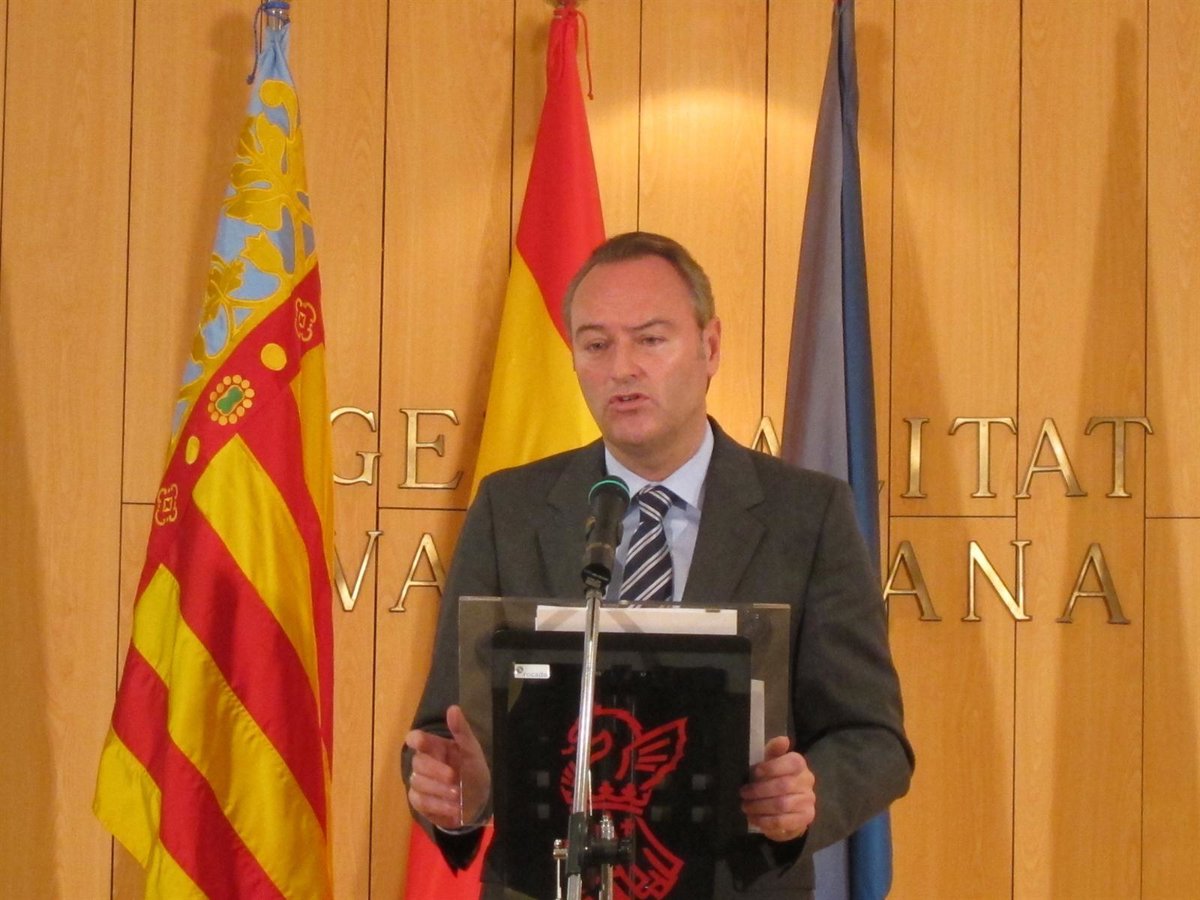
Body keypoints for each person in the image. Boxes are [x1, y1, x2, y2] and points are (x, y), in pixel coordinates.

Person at [404, 232, 913, 898]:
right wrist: (455, 792)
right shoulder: (511, 509)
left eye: (650, 340)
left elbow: (872, 737)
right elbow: (444, 730)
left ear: (710, 347)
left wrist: (806, 795)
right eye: (596, 345)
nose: (623, 368)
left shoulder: (807, 515)